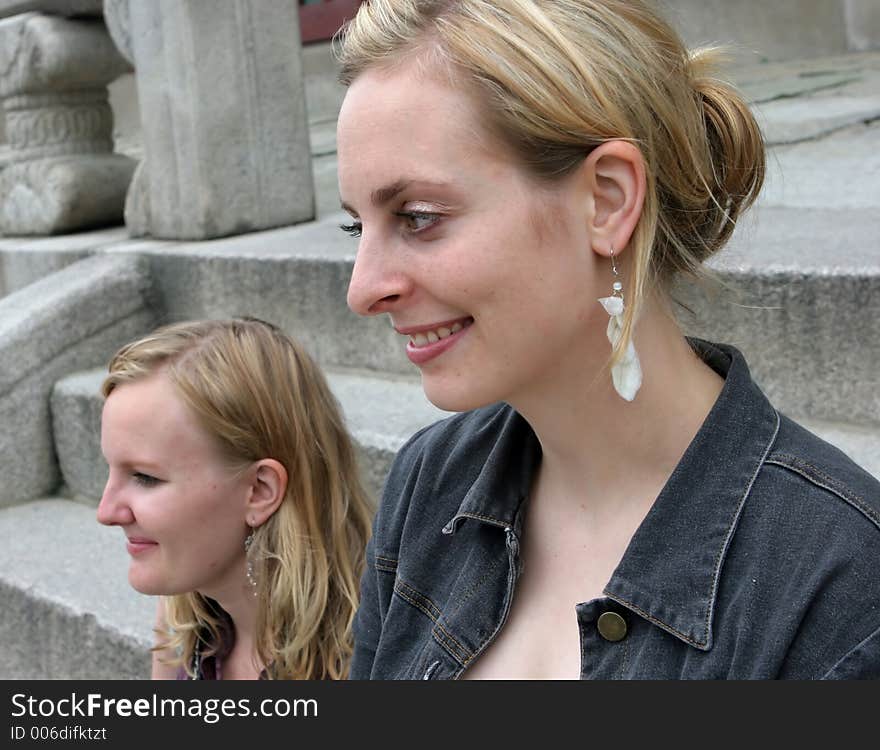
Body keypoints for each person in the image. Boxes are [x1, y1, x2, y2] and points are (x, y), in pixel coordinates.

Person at [335, 0, 880, 679]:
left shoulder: (838, 583)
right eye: (358, 228)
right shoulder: (432, 482)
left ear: (609, 200)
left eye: (417, 218)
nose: (363, 290)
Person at [97, 318, 373, 679]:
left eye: (146, 477)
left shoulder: (374, 656)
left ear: (260, 491)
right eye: (112, 469)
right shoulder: (181, 614)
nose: (106, 512)